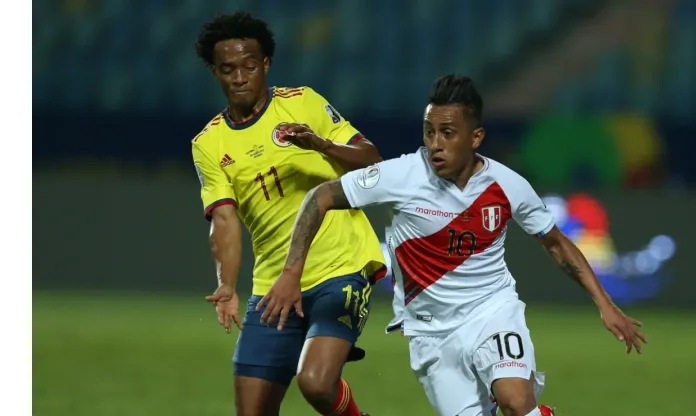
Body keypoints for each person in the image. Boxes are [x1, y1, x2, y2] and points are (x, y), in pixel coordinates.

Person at [262, 74, 648, 416]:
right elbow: (319, 198)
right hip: (431, 333)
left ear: (475, 137)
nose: (435, 144)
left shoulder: (507, 185)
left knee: (515, 400)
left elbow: (556, 243)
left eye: (447, 133)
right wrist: (291, 272)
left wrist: (605, 304)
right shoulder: (401, 176)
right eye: (428, 131)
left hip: (492, 311)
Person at [191, 12, 385, 416]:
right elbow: (224, 221)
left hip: (340, 267)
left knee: (315, 383)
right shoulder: (209, 144)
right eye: (228, 69)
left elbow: (372, 160)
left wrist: (321, 145)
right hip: (273, 285)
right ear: (215, 73)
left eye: (249, 65)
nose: (240, 77)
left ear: (265, 64)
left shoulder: (304, 103)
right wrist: (226, 284)